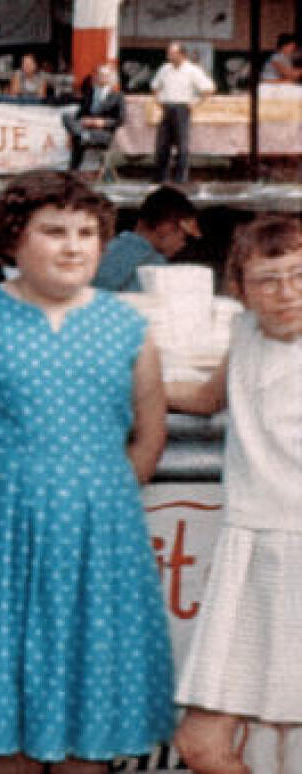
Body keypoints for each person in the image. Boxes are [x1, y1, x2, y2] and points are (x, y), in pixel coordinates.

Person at [0, 170, 173, 772]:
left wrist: (101, 500)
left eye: (86, 233)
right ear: (13, 239)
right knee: (6, 729)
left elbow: (149, 434)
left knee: (90, 721)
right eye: (53, 232)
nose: (73, 246)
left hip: (97, 545)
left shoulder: (128, 327)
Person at [166, 215, 302, 774]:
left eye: (299, 275)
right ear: (240, 290)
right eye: (268, 280)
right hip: (250, 550)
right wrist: (120, 385)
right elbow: (205, 398)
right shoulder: (244, 333)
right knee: (201, 745)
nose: (287, 292)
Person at [92, 184, 202, 292]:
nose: (183, 244)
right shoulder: (154, 266)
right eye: (184, 237)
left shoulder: (108, 248)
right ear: (165, 227)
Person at [150, 41, 215, 184]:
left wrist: (196, 102)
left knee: (182, 146)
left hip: (182, 108)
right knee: (162, 144)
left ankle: (181, 179)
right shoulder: (164, 69)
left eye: (173, 54)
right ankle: (160, 178)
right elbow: (154, 86)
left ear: (182, 55)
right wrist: (158, 100)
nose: (170, 56)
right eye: (169, 53)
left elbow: (209, 88)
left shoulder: (192, 70)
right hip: (167, 107)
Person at [62, 61, 127, 172]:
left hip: (103, 132)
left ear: (111, 78)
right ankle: (82, 135)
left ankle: (81, 136)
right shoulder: (90, 92)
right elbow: (79, 114)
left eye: (105, 75)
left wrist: (102, 122)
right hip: (85, 128)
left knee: (78, 138)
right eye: (100, 75)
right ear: (96, 77)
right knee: (66, 117)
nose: (102, 77)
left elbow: (121, 119)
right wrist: (81, 122)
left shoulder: (117, 96)